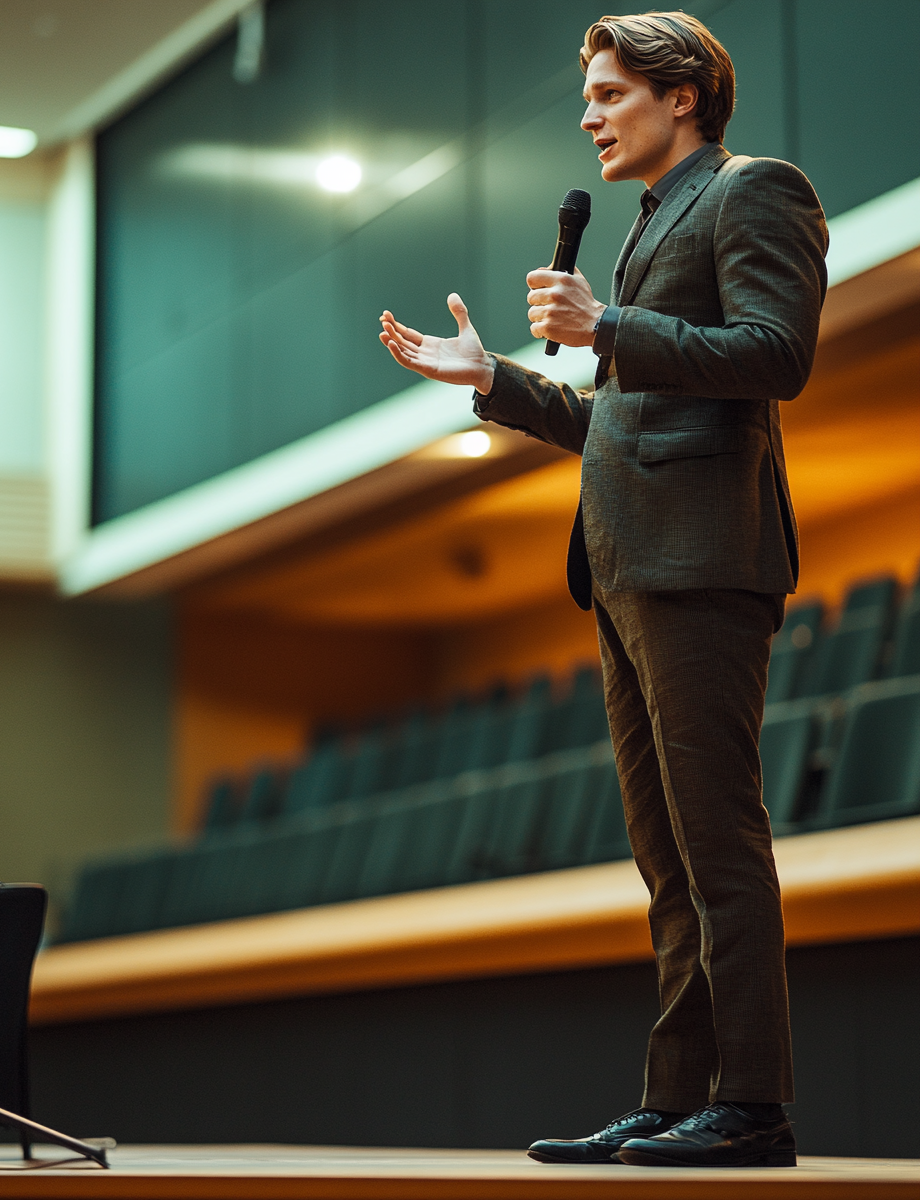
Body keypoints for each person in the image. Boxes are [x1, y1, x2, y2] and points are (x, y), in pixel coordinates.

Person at [379, 11, 827, 1170]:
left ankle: (754, 1107)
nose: (588, 116)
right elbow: (619, 420)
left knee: (718, 843)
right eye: (588, 96)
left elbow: (778, 354)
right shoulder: (645, 223)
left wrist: (611, 323)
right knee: (665, 859)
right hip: (626, 568)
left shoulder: (752, 190)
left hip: (706, 564)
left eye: (610, 94)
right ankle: (682, 1097)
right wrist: (499, 381)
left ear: (683, 96)